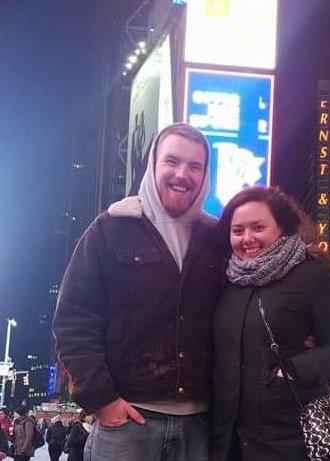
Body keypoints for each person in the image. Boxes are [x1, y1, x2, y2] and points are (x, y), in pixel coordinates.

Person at [53, 122, 225, 461]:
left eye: (195, 166)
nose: (182, 174)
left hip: (201, 426)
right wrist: (102, 400)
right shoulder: (111, 227)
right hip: (127, 422)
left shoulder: (217, 238)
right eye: (172, 161)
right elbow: (74, 318)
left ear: (205, 175)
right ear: (153, 165)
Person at [210, 187, 330, 461]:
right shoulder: (225, 279)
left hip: (290, 439)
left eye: (258, 228)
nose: (247, 239)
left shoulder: (309, 274)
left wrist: (292, 370)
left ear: (282, 227)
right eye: (237, 230)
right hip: (229, 440)